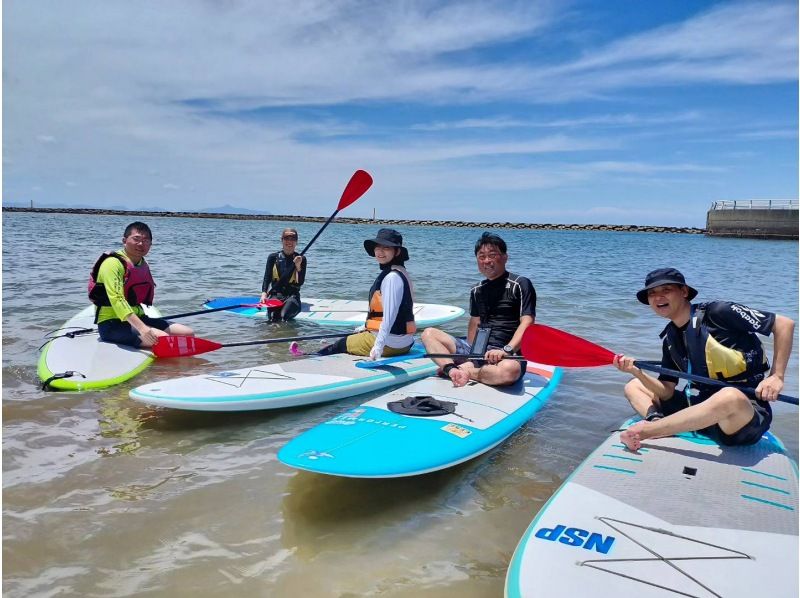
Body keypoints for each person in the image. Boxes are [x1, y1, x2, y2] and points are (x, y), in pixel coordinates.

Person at [613, 267, 795, 451]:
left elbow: (783, 324)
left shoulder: (718, 313)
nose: (658, 297)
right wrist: (638, 372)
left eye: (666, 290)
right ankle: (659, 423)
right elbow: (666, 391)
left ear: (684, 292)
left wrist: (777, 376)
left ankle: (648, 431)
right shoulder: (670, 338)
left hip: (740, 415)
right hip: (698, 405)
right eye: (652, 293)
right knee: (634, 385)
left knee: (729, 397)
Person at [421, 232, 535, 387]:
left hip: (506, 352)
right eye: (481, 256)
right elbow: (475, 322)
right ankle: (452, 369)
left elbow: (527, 322)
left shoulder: (520, 284)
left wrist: (507, 350)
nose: (486, 261)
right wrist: (473, 356)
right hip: (478, 350)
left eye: (492, 255)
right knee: (429, 334)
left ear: (505, 257)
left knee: (509, 371)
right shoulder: (477, 289)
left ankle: (466, 371)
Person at [292, 228, 415, 359]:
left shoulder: (392, 277)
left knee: (341, 344)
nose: (380, 252)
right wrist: (365, 326)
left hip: (390, 344)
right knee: (353, 335)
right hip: (404, 342)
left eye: (386, 248)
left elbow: (390, 317)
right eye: (378, 247)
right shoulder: (400, 272)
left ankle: (308, 356)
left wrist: (378, 347)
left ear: (397, 252)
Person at [88, 222, 194, 348]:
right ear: (124, 240)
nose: (141, 244)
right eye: (136, 239)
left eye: (145, 240)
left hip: (138, 318)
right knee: (164, 340)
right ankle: (165, 365)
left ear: (151, 244)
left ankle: (184, 364)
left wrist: (142, 325)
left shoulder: (142, 263)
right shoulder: (112, 263)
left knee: (188, 333)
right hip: (112, 324)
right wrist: (143, 329)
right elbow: (117, 299)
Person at [260, 227, 307, 321]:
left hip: (292, 295)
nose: (289, 242)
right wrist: (264, 293)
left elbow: (300, 283)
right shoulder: (273, 257)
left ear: (296, 242)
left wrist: (298, 266)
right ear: (282, 240)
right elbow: (267, 277)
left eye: (293, 239)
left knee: (284, 317)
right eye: (286, 238)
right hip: (276, 295)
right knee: (273, 318)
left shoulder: (301, 259)